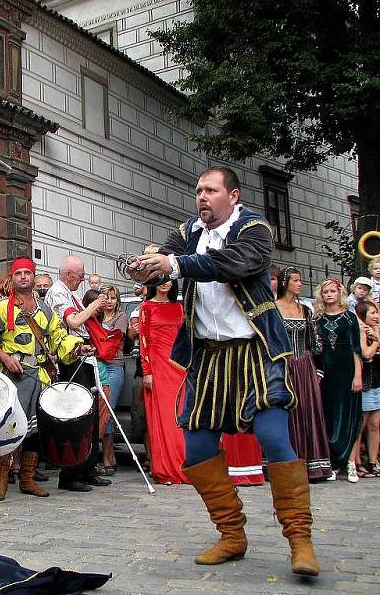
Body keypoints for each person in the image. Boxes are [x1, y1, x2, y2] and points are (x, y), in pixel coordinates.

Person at [129, 166, 320, 576]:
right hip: (209, 355)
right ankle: (232, 534)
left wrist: (174, 265)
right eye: (198, 190)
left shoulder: (255, 228)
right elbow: (164, 262)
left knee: (272, 436)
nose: (201, 197)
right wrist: (143, 267)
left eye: (210, 190)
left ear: (232, 196)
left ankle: (300, 541)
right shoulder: (186, 232)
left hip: (256, 351)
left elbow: (235, 264)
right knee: (197, 448)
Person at [0, 258, 87, 501]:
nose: (23, 277)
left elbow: (59, 339)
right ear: (12, 277)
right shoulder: (1, 308)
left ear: (33, 276)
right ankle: (1, 479)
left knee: (34, 431)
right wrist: (5, 358)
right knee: (9, 428)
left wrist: (78, 347)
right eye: (18, 273)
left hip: (39, 376)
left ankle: (28, 479)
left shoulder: (46, 311)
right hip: (12, 376)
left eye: (27, 273)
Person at [45, 256, 111, 492]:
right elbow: (73, 321)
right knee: (77, 413)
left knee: (90, 413)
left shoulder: (70, 294)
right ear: (69, 274)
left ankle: (88, 467)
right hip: (69, 357)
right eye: (81, 276)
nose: (82, 281)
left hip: (84, 353)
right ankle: (71, 473)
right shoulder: (58, 292)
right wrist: (93, 306)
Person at [275, 268, 332, 481]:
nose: (300, 284)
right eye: (296, 281)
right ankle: (287, 463)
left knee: (307, 411)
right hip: (283, 365)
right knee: (285, 412)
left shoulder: (305, 310)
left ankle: (312, 465)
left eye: (300, 281)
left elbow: (314, 342)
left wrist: (317, 368)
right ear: (285, 283)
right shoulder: (274, 309)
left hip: (304, 367)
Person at [139, 279, 187, 485]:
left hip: (180, 367)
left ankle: (184, 466)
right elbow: (143, 341)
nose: (165, 283)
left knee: (181, 417)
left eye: (168, 279)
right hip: (158, 367)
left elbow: (186, 339)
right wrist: (147, 371)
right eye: (160, 280)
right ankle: (165, 470)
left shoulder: (179, 307)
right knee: (163, 419)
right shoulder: (146, 307)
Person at [315, 279, 363, 483]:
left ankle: (351, 463)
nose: (329, 295)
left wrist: (358, 374)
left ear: (340, 293)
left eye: (333, 291)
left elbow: (356, 349)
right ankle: (333, 463)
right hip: (327, 372)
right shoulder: (317, 319)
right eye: (325, 291)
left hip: (346, 371)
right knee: (329, 416)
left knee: (349, 416)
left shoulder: (349, 318)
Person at [98, 285, 128, 474]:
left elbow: (114, 339)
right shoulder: (98, 316)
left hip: (114, 365)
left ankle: (107, 458)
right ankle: (109, 457)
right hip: (99, 364)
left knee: (108, 410)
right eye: (106, 298)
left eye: (113, 298)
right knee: (102, 410)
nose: (109, 301)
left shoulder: (121, 317)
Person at [353, 300, 380, 477]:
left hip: (378, 381)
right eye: (372, 313)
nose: (376, 316)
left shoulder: (375, 331)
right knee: (360, 424)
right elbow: (366, 354)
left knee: (375, 424)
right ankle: (356, 462)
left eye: (377, 312)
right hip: (366, 381)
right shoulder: (362, 330)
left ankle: (372, 461)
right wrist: (377, 340)